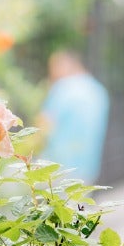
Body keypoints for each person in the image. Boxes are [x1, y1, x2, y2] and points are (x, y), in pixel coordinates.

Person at [38, 50, 109, 184]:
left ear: (65, 65)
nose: (51, 75)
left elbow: (43, 127)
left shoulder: (63, 88)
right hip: (87, 167)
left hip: (57, 167)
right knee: (79, 204)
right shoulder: (98, 90)